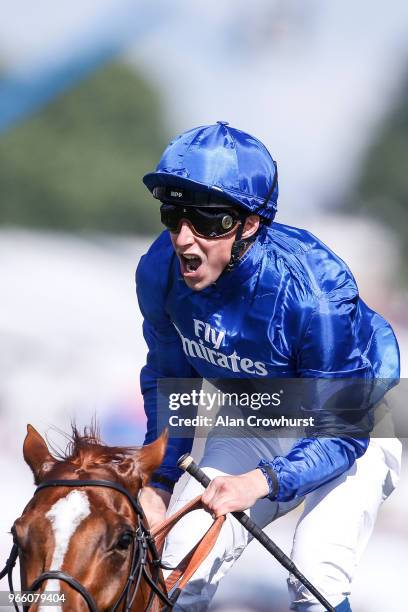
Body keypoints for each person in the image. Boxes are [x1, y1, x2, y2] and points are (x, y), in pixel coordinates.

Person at [136, 121, 401, 611]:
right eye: (173, 215)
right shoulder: (158, 271)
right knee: (177, 567)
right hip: (260, 408)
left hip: (357, 414)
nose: (184, 240)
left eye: (209, 222)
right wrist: (158, 483)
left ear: (250, 224)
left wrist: (257, 483)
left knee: (314, 572)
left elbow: (340, 434)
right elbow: (172, 384)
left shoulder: (316, 291)